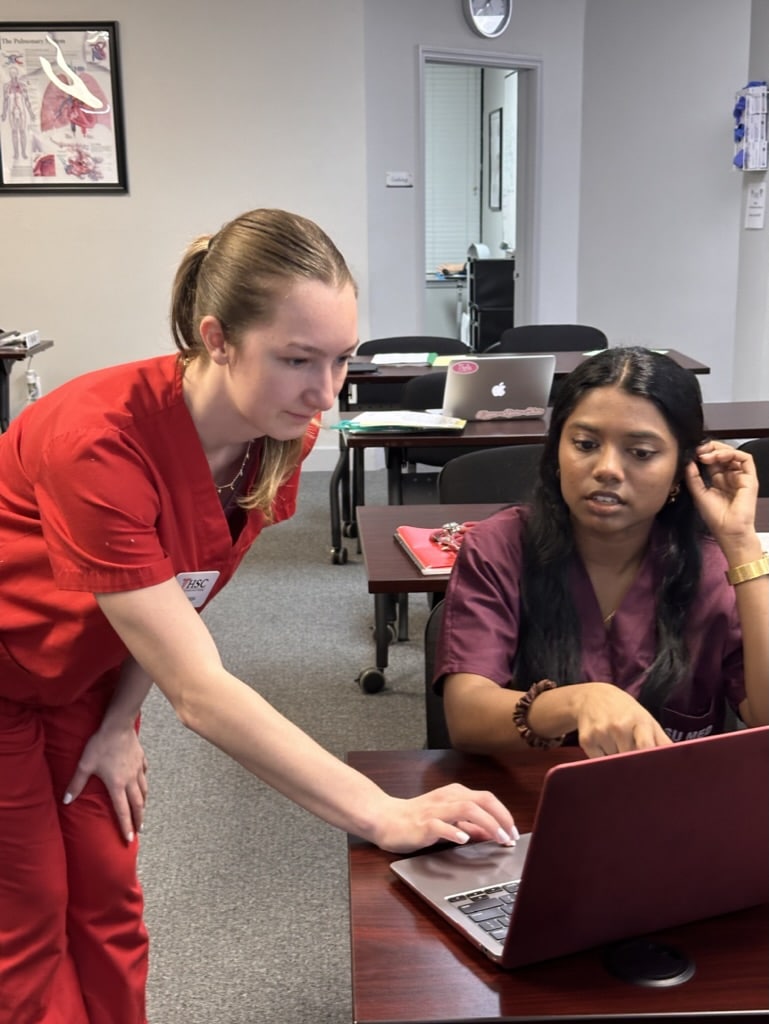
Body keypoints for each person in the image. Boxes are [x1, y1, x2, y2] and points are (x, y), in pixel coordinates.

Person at [0, 208, 517, 1024]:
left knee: (106, 904)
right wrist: (380, 811)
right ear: (217, 338)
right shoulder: (98, 441)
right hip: (7, 674)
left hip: (84, 676)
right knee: (25, 927)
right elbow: (201, 692)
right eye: (296, 359)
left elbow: (180, 589)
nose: (326, 391)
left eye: (342, 358)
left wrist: (116, 723)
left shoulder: (272, 435)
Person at [434, 346, 768, 757]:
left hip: (673, 805)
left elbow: (764, 716)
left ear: (683, 468)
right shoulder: (500, 548)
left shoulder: (714, 567)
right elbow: (466, 717)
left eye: (641, 453)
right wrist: (576, 703)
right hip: (531, 804)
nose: (607, 468)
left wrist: (741, 544)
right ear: (557, 452)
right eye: (586, 444)